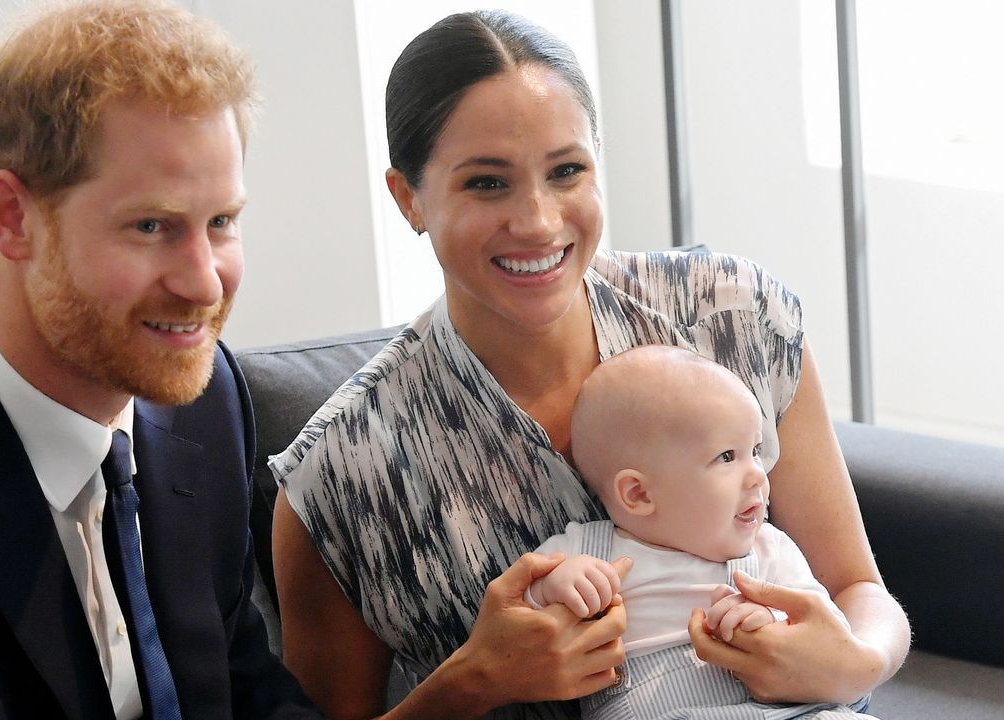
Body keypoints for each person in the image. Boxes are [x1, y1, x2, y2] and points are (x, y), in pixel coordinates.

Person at [271, 9, 908, 720]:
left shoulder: (732, 316)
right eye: (487, 183)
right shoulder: (341, 474)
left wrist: (857, 659)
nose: (540, 221)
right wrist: (475, 679)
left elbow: (856, 585)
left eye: (567, 170)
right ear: (408, 198)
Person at [0, 1, 319, 717]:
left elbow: (244, 689)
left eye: (222, 222)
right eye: (152, 226)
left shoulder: (206, 404)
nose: (205, 281)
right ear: (10, 219)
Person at [526, 345, 876, 719]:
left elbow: (827, 637)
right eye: (727, 456)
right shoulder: (587, 551)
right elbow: (519, 618)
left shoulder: (770, 551)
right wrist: (554, 586)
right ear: (639, 493)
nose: (758, 473)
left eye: (755, 450)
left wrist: (771, 624)